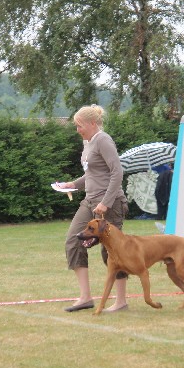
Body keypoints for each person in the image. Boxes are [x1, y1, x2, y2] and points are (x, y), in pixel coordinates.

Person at [57, 104, 129, 312]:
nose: (77, 129)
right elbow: (92, 173)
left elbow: (117, 173)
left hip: (110, 204)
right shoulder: (87, 142)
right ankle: (85, 297)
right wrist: (73, 184)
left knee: (112, 252)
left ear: (92, 123)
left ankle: (121, 300)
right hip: (89, 202)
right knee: (73, 240)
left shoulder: (103, 140)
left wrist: (106, 203)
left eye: (79, 125)